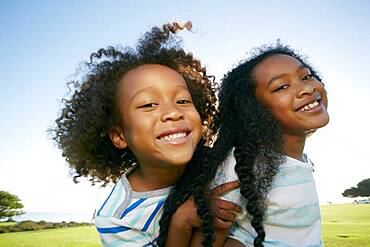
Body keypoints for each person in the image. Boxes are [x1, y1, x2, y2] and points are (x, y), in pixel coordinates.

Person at [51, 22, 240, 247]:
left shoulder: (227, 164)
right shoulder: (117, 218)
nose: (173, 112)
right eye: (149, 104)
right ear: (120, 136)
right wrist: (181, 221)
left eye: (182, 101)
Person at [158, 43, 330, 247]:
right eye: (281, 87)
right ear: (254, 110)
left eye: (306, 76)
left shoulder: (299, 161)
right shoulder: (242, 166)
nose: (307, 88)